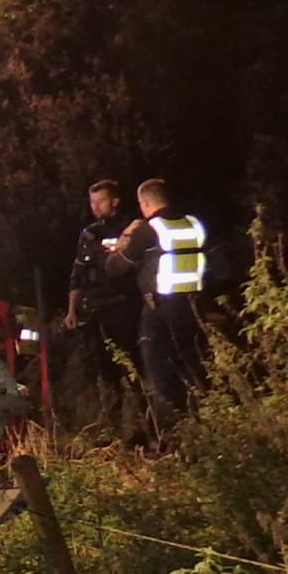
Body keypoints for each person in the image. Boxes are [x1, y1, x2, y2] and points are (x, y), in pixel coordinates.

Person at [106, 179, 209, 434]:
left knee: (159, 373)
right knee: (194, 365)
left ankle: (181, 429)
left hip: (160, 310)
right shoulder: (194, 224)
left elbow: (115, 268)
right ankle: (210, 419)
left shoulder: (148, 230)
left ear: (146, 203)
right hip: (194, 306)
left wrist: (123, 240)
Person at [64, 180, 142, 426]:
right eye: (92, 202)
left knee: (132, 365)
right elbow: (79, 273)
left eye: (101, 201)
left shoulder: (132, 227)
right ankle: (112, 420)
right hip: (98, 309)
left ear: (115, 201)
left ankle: (143, 417)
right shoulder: (90, 234)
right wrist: (72, 309)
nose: (96, 206)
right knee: (103, 367)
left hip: (126, 306)